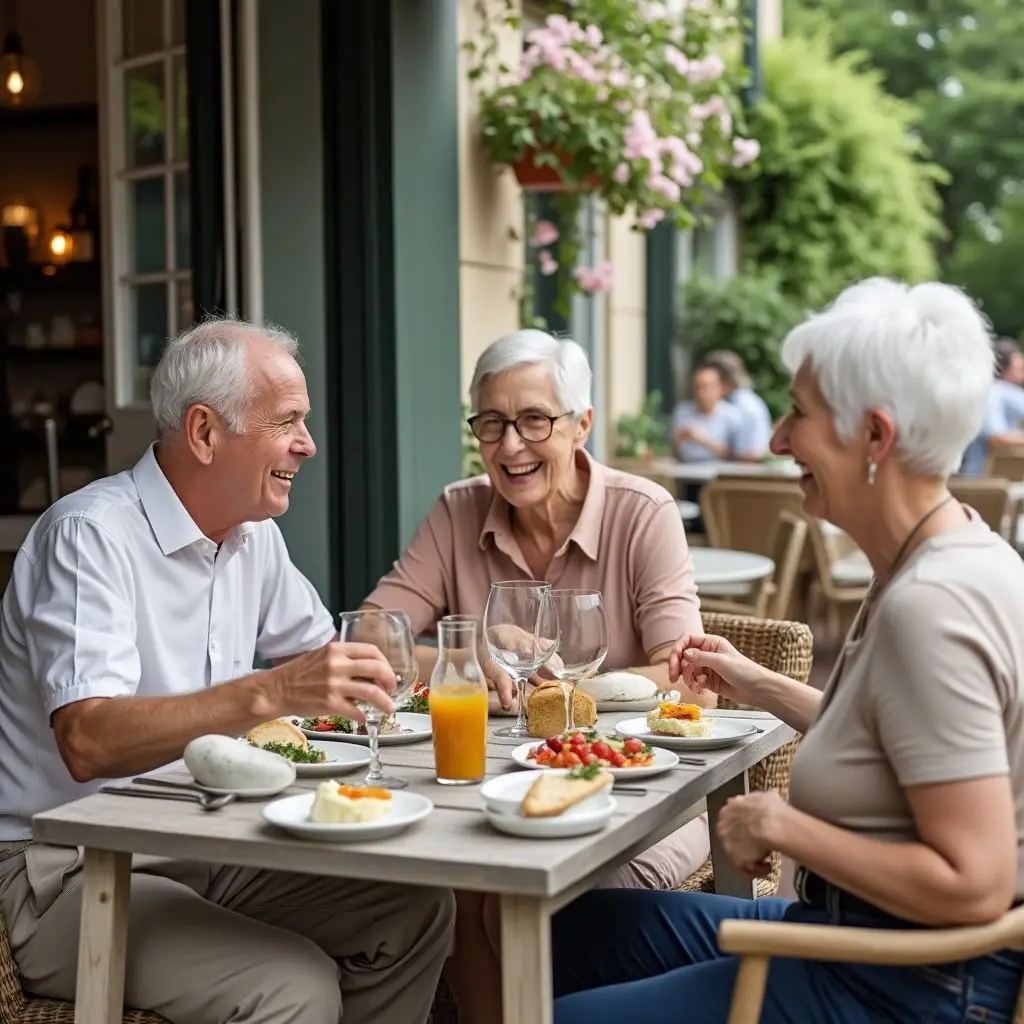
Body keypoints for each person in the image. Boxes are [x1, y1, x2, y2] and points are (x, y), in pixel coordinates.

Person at [550, 278, 1024, 1023]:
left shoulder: (932, 607)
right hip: (855, 940)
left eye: (798, 414)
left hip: (903, 985)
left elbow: (976, 882)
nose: (774, 440)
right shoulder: (934, 552)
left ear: (875, 437)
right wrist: (756, 682)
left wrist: (779, 824)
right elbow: (900, 739)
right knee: (567, 929)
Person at [0, 320, 454, 1024]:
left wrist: (467, 660)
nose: (308, 444)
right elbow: (87, 739)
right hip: (69, 868)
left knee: (415, 911)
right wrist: (272, 690)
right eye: (288, 423)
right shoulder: (89, 538)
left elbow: (331, 663)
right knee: (293, 985)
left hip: (206, 841)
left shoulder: (251, 537)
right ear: (205, 433)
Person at [363, 328, 712, 1024]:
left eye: (533, 420)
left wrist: (565, 695)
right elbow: (375, 632)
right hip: (484, 794)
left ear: (581, 424)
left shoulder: (642, 513)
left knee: (519, 902)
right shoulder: (458, 509)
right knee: (460, 892)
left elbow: (688, 679)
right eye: (492, 423)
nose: (510, 445)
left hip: (630, 794)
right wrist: (472, 655)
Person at [960, 337, 1024, 474]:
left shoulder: (1010, 392)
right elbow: (996, 437)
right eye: (1019, 367)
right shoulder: (993, 392)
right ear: (1005, 366)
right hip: (985, 479)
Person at [702, 349, 773, 460]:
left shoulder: (743, 407)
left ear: (725, 382)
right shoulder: (744, 401)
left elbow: (749, 455)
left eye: (710, 383)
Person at [670, 364, 743, 463]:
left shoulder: (733, 415)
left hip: (721, 473)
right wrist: (678, 440)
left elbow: (735, 454)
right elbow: (674, 452)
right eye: (697, 387)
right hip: (685, 469)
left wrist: (701, 439)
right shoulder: (682, 412)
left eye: (705, 387)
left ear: (719, 388)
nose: (701, 393)